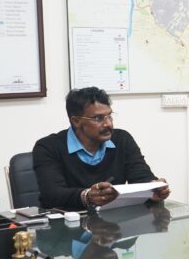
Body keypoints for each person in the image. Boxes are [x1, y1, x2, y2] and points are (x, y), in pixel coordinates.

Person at [33, 87, 170, 211]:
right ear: (76, 121)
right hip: (66, 223)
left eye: (109, 115)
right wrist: (87, 196)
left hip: (113, 222)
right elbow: (51, 194)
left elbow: (141, 178)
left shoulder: (122, 139)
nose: (108, 124)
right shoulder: (48, 147)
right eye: (98, 118)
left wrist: (154, 188)